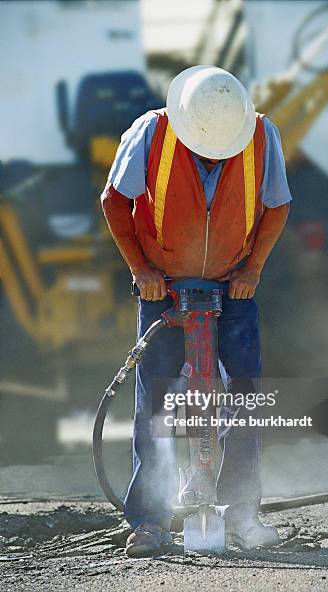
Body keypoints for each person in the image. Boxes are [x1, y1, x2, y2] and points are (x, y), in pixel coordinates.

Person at [101, 65, 291, 557]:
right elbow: (116, 201)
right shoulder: (152, 132)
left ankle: (242, 512)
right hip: (161, 286)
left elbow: (276, 207)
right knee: (155, 403)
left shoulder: (262, 135)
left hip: (233, 285)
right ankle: (149, 519)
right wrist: (141, 269)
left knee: (246, 398)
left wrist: (254, 270)